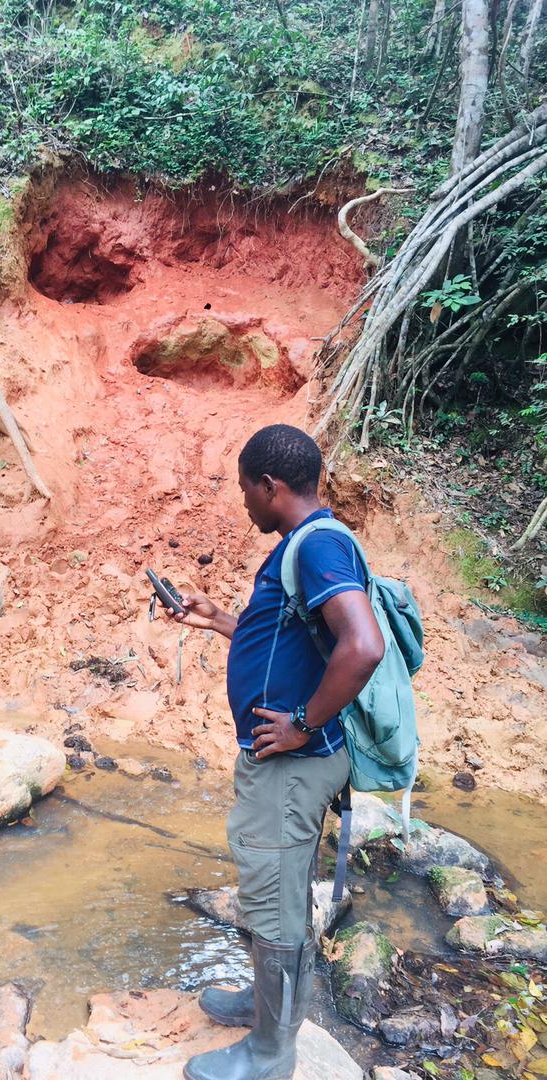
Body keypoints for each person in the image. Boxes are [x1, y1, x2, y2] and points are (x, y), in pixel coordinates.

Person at [162, 424, 385, 1080]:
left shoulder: (315, 547)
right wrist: (217, 620)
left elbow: (362, 646)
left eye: (244, 490)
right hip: (290, 762)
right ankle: (266, 1010)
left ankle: (270, 1051)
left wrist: (301, 725)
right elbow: (292, 640)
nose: (243, 503)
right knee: (278, 892)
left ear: (270, 485)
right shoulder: (309, 543)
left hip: (292, 766)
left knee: (275, 900)